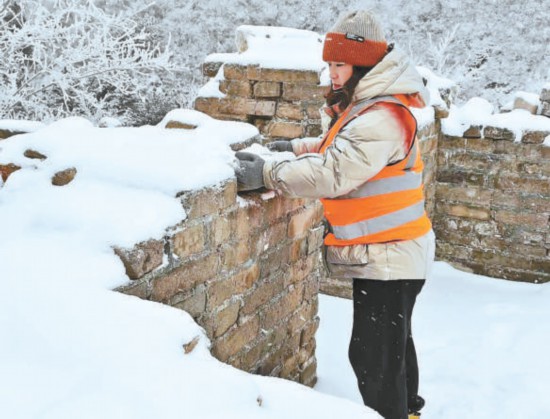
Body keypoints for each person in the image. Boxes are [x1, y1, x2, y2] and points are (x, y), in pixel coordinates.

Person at [235, 10, 435, 419]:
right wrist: (290, 151)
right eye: (329, 63)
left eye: (340, 64)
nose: (333, 73)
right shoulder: (370, 106)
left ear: (364, 63)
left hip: (391, 254)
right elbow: (335, 146)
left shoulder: (381, 116)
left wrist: (268, 172)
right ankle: (409, 412)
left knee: (373, 358)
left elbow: (335, 172)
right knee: (393, 347)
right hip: (396, 251)